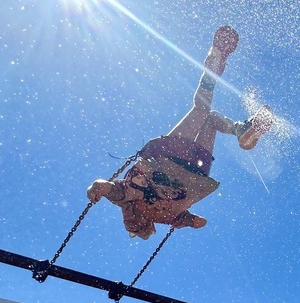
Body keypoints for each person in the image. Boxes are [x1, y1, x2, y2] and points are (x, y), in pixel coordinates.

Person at [87, 26, 274, 239]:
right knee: (202, 110)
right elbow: (102, 187)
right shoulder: (129, 202)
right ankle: (223, 94)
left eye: (132, 226)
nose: (130, 221)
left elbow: (199, 222)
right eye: (134, 225)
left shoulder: (145, 208)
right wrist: (95, 190)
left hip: (194, 170)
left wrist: (183, 219)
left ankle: (241, 128)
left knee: (210, 118)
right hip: (165, 158)